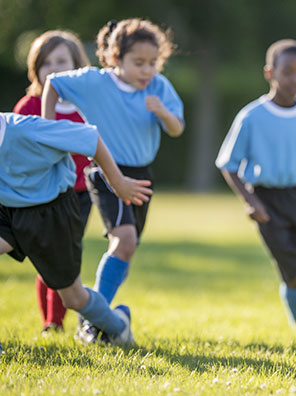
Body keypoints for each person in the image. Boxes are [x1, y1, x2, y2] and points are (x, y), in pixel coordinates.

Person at [41, 18, 184, 341]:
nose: (147, 71)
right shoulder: (96, 82)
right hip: (106, 170)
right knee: (125, 240)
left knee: (126, 250)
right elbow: (54, 84)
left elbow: (177, 128)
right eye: (139, 63)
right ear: (116, 58)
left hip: (142, 175)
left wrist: (162, 112)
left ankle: (93, 317)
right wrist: (47, 130)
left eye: (152, 63)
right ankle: (94, 320)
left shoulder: (159, 87)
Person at [0, 112, 153, 346]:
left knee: (72, 297)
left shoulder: (26, 129)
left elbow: (91, 138)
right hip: (7, 209)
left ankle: (119, 326)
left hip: (50, 213)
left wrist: (119, 183)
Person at [216, 39, 296, 326]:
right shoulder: (251, 117)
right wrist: (251, 201)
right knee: (289, 266)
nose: (295, 79)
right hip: (268, 199)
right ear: (270, 73)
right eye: (288, 72)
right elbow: (228, 165)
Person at [13, 30, 92, 336]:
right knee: (45, 255)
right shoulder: (28, 106)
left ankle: (59, 320)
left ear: (76, 64)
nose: (54, 68)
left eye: (61, 60)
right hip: (41, 194)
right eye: (46, 63)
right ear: (35, 69)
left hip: (81, 193)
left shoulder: (85, 105)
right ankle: (52, 322)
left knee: (66, 255)